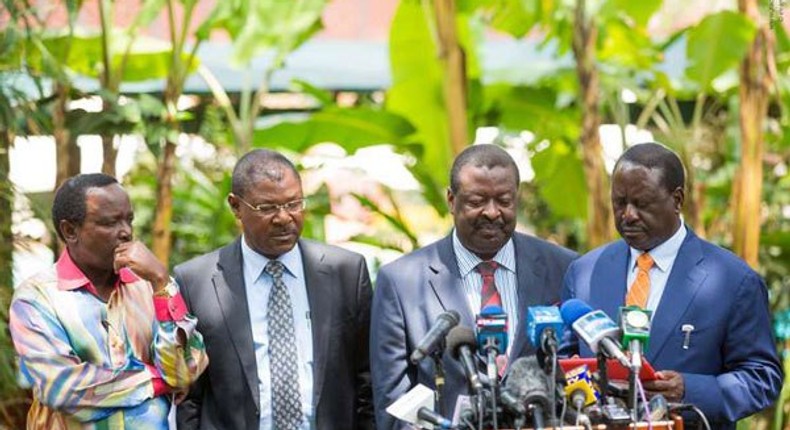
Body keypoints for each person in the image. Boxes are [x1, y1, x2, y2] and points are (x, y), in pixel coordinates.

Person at [561, 142, 783, 428]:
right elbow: (563, 363)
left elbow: (762, 378)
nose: (627, 214)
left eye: (642, 203)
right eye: (619, 202)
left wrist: (690, 390)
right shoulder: (584, 272)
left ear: (677, 200)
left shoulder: (734, 281)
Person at [370, 144, 578, 429]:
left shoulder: (562, 267)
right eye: (477, 201)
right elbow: (394, 404)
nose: (492, 213)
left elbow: (577, 373)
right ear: (451, 200)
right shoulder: (400, 282)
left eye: (504, 201)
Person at [174, 149, 374, 430]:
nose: (284, 218)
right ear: (236, 206)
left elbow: (367, 380)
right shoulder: (196, 282)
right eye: (267, 208)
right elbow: (189, 396)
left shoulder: (346, 273)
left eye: (294, 204)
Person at [9, 173, 208, 429]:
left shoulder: (149, 285)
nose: (125, 232)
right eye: (109, 223)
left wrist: (161, 283)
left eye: (129, 220)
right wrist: (160, 379)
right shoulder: (37, 298)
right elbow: (64, 390)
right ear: (70, 231)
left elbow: (187, 369)